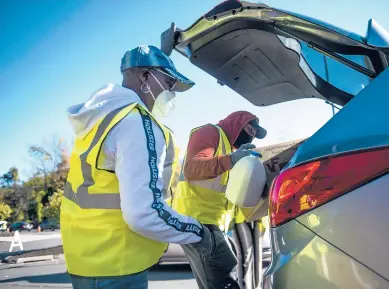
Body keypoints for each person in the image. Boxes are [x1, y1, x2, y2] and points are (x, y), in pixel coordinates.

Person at [60, 45, 212, 289]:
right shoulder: (136, 123)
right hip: (117, 263)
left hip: (88, 260)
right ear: (145, 77)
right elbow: (144, 213)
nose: (172, 93)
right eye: (169, 83)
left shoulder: (103, 119)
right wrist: (199, 233)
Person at [173, 111, 267, 289]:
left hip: (210, 224)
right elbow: (192, 168)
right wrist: (231, 160)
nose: (252, 135)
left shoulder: (231, 151)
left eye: (255, 134)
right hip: (199, 223)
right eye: (250, 129)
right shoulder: (210, 132)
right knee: (227, 282)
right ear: (238, 123)